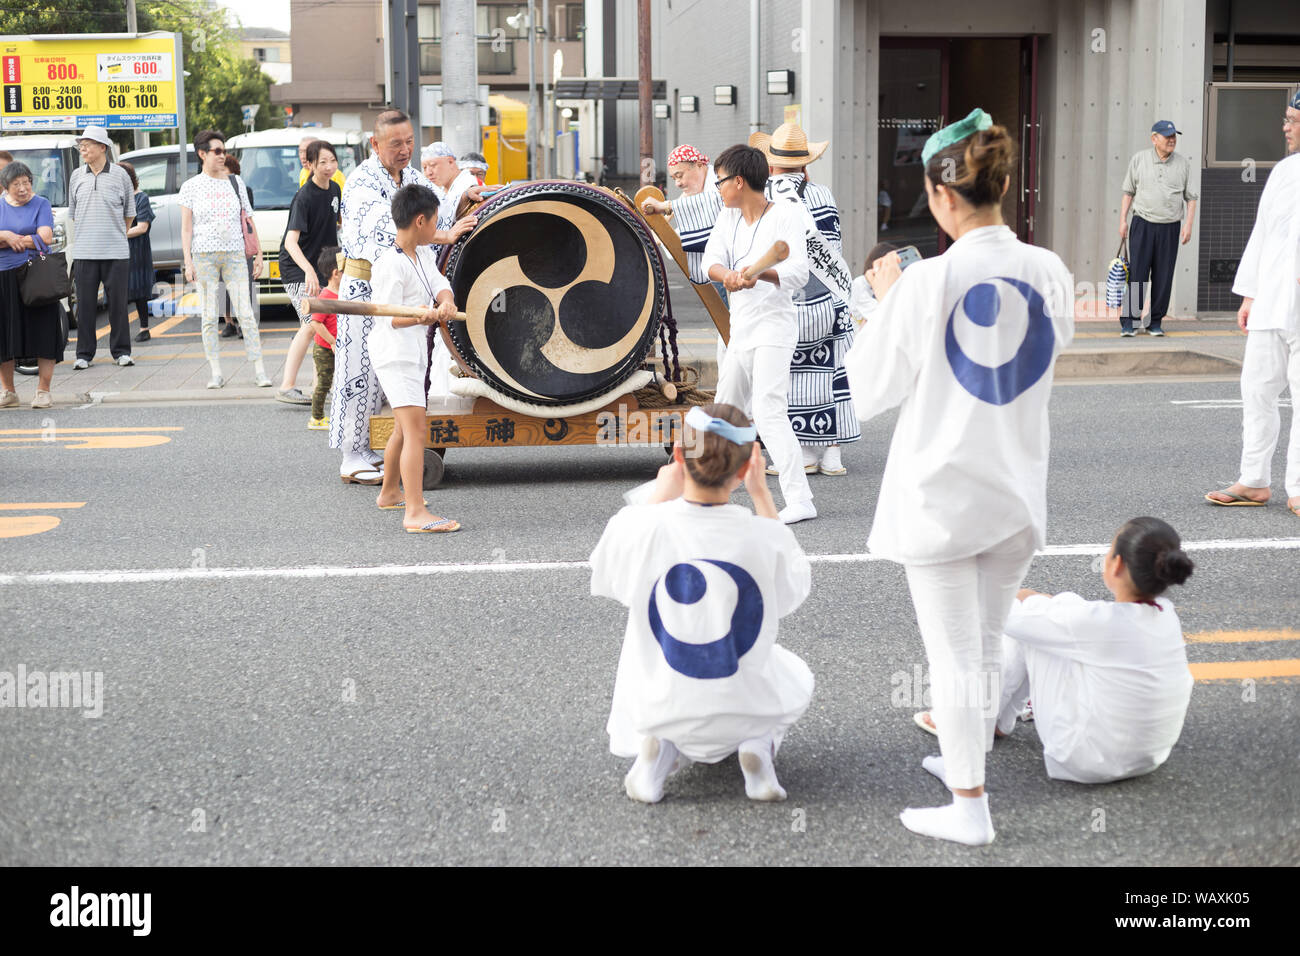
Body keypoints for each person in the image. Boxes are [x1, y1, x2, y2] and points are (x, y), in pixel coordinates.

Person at [844, 109, 1075, 846]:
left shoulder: (928, 282)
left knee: (953, 655)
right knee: (982, 645)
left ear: (940, 197)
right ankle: (962, 765)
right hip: (1014, 492)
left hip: (941, 493)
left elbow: (870, 388)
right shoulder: (1051, 271)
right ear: (1002, 184)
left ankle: (971, 804)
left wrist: (882, 304)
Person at [590, 403, 814, 803]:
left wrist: (661, 492)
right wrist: (762, 496)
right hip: (746, 705)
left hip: (660, 705)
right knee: (793, 671)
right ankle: (758, 749)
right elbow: (791, 592)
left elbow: (609, 575)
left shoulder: (638, 526)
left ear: (677, 457)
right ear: (747, 469)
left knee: (645, 659)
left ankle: (658, 755)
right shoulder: (764, 536)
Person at [916, 517, 1195, 785]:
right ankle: (1001, 718)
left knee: (1029, 630)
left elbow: (1001, 615)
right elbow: (1077, 619)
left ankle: (978, 724)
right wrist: (1039, 600)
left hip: (1085, 761)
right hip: (1148, 758)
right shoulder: (1165, 615)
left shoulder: (1097, 623)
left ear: (1117, 564)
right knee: (1059, 611)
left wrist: (1012, 590)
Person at [332, 110, 474, 485]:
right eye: (396, 143)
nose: (405, 149)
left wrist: (462, 197)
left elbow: (437, 212)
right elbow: (388, 226)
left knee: (397, 376)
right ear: (374, 144)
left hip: (411, 282)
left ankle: (381, 456)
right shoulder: (361, 181)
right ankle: (352, 453)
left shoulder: (411, 177)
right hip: (366, 287)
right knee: (359, 371)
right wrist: (442, 235)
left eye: (410, 141)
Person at [701, 144, 817, 525]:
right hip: (742, 329)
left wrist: (758, 273)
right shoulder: (727, 217)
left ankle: (800, 500)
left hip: (774, 328)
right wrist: (730, 276)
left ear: (738, 181)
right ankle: (702, 487)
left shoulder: (785, 215)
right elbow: (709, 262)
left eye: (719, 181)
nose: (717, 188)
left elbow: (798, 272)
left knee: (769, 410)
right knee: (722, 409)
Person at [1205, 92, 1300, 518]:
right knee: (1256, 390)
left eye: (1292, 120)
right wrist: (1249, 294)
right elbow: (1262, 235)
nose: (1285, 127)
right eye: (1286, 118)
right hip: (1272, 299)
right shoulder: (1283, 172)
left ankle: (1298, 488)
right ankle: (1254, 480)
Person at [751, 122, 861, 477]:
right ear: (806, 165)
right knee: (830, 373)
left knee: (792, 376)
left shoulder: (765, 196)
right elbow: (835, 247)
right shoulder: (823, 194)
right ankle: (831, 454)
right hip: (828, 297)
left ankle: (804, 452)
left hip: (786, 297)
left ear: (771, 165)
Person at [369, 184, 460, 533]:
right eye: (435, 221)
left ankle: (390, 493)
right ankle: (415, 512)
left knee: (402, 428)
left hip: (412, 352)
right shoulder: (389, 265)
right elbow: (390, 316)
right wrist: (420, 316)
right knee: (416, 431)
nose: (437, 228)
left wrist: (445, 301)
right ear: (420, 220)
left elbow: (440, 283)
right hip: (396, 355)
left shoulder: (421, 255)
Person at [180, 129, 268, 389]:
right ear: (202, 154)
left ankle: (259, 369)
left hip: (235, 254)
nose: (222, 156)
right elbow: (186, 228)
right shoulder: (190, 187)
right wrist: (188, 261)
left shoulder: (235, 182)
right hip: (204, 255)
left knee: (246, 312)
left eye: (224, 151)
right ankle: (215, 371)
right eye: (217, 151)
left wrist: (259, 253)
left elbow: (248, 221)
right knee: (209, 315)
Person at [277, 140, 343, 405]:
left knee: (321, 324)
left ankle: (320, 387)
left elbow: (339, 227)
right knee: (309, 324)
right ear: (311, 164)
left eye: (332, 161)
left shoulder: (336, 189)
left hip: (321, 269)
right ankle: (287, 386)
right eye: (322, 162)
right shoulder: (304, 196)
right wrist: (308, 271)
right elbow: (290, 242)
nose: (329, 167)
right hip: (297, 269)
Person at [1118, 120, 1198, 337]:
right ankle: (1130, 322)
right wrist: (1122, 220)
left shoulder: (1182, 164)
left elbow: (1191, 198)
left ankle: (1155, 321)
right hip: (1142, 224)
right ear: (1154, 138)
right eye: (1167, 136)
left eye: (1174, 136)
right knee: (1138, 274)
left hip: (1170, 227)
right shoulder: (1139, 159)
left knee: (1164, 276)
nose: (1172, 140)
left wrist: (1188, 225)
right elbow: (1128, 192)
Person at [69, 125, 135, 369]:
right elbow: (75, 213)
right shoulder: (77, 176)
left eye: (87, 144)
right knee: (85, 306)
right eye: (81, 144)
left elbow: (129, 213)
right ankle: (84, 354)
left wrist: (116, 234)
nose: (83, 148)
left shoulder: (121, 175)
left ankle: (121, 352)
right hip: (85, 251)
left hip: (116, 251)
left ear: (102, 147)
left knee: (118, 304)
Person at [0, 162, 59, 409]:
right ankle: (8, 391)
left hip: (35, 275)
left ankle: (43, 390)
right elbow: (34, 238)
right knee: (3, 335)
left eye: (27, 182)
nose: (23, 188)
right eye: (17, 185)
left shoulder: (41, 204)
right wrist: (7, 236)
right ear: (5, 187)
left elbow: (45, 237)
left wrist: (12, 240)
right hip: (3, 276)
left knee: (43, 331)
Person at [117, 162, 157, 344]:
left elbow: (142, 227)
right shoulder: (115, 197)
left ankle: (144, 328)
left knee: (139, 289)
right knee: (118, 290)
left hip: (137, 250)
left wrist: (119, 234)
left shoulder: (141, 198)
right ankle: (119, 330)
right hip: (118, 250)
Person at [307, 247, 341, 430]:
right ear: (336, 273)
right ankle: (316, 417)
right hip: (325, 349)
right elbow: (316, 323)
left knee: (339, 381)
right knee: (324, 383)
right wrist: (332, 342)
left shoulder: (342, 294)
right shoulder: (326, 297)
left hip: (336, 347)